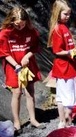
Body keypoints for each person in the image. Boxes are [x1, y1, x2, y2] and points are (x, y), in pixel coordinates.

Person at [0, 7, 45, 135]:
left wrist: (27, 56)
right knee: (17, 92)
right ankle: (16, 121)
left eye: (22, 24)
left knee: (30, 90)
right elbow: (4, 52)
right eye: (17, 24)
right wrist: (16, 66)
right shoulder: (5, 33)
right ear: (11, 21)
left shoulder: (31, 31)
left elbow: (35, 47)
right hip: (13, 66)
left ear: (26, 21)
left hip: (28, 65)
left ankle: (33, 119)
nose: (20, 27)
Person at [47, 0, 76, 129]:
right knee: (69, 99)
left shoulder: (63, 27)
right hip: (65, 69)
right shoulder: (58, 29)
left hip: (65, 67)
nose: (68, 17)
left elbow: (69, 45)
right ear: (57, 13)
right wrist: (70, 52)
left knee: (61, 97)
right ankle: (69, 124)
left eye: (69, 14)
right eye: (65, 14)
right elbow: (57, 50)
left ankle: (62, 122)